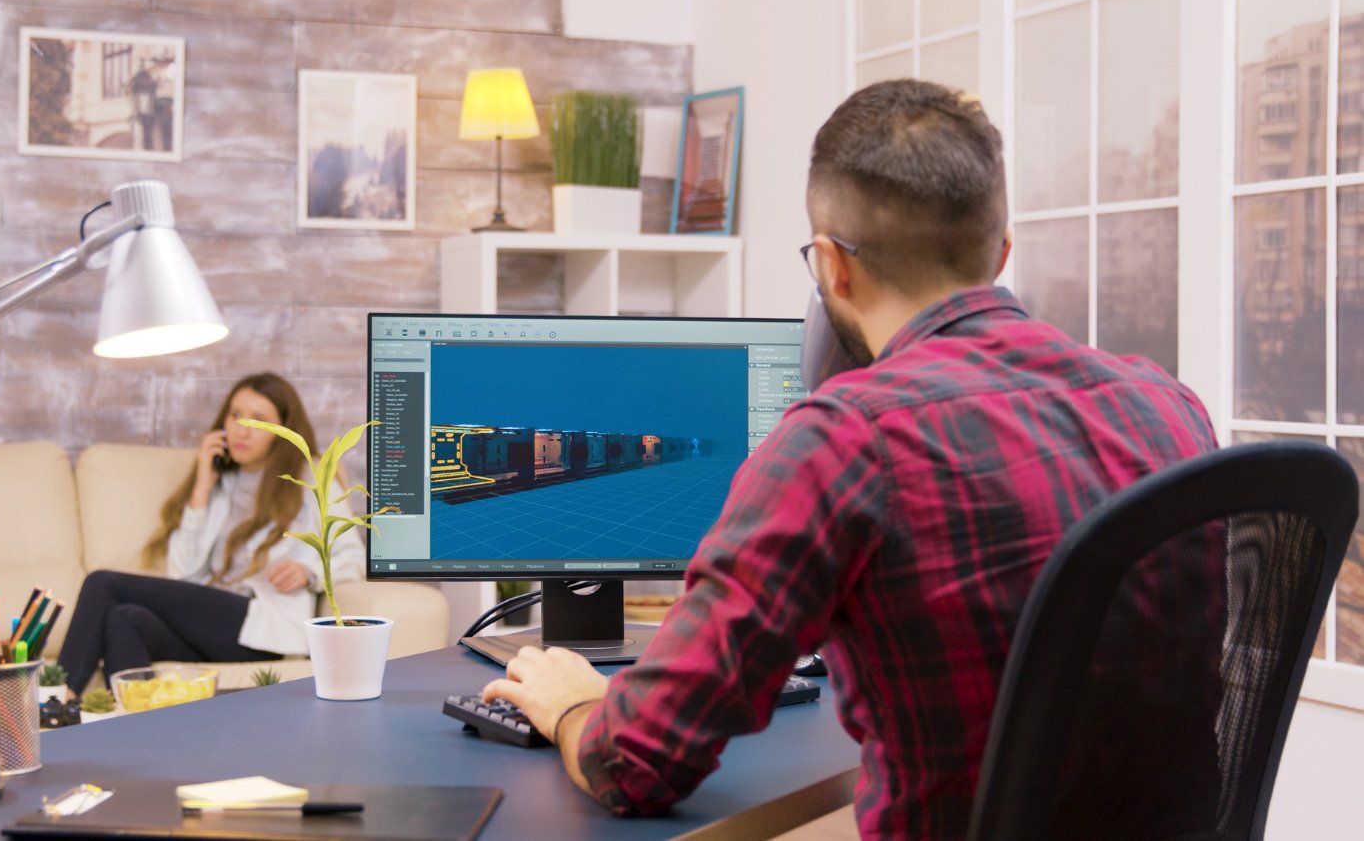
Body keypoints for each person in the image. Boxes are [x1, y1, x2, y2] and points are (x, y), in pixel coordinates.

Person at [481, 79, 1219, 838]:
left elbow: (635, 762)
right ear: (999, 254)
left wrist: (574, 703)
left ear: (831, 266)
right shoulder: (1166, 404)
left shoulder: (843, 442)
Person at [58, 372, 364, 697]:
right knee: (124, 619)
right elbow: (182, 572)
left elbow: (354, 557)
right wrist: (202, 485)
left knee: (104, 583)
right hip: (211, 626)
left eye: (259, 421)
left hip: (258, 626)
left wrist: (309, 572)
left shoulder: (311, 480)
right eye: (235, 415)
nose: (241, 430)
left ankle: (54, 702)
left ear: (281, 431)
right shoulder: (221, 483)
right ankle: (135, 734)